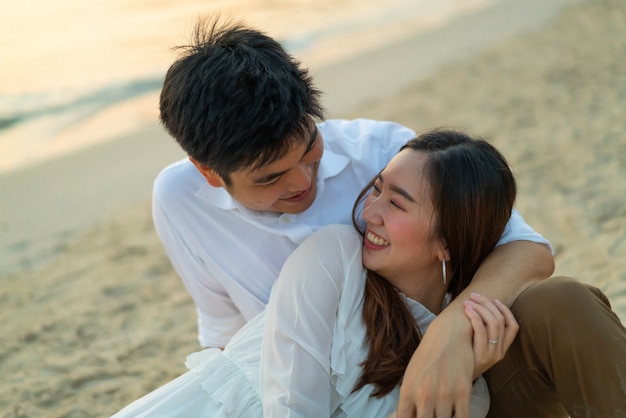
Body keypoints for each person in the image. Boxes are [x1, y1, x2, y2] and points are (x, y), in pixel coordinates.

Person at [150, 15, 626, 417]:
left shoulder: (382, 153)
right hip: (331, 396)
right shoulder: (181, 202)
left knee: (563, 301)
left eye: (309, 149)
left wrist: (452, 330)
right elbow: (225, 334)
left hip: (457, 366)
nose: (301, 182)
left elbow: (527, 249)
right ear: (209, 173)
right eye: (271, 178)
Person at [113, 129, 520, 417]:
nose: (369, 212)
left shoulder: (471, 392)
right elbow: (291, 408)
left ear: (447, 242)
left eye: (396, 204)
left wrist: (465, 375)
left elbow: (533, 249)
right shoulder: (334, 256)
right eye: (376, 189)